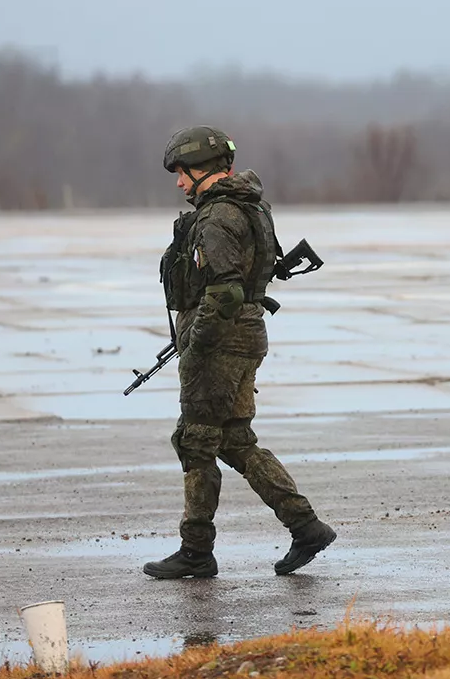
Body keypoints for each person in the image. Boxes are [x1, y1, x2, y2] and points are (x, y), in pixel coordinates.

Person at [142, 125, 336, 579]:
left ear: (202, 169)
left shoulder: (217, 218)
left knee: (195, 440)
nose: (178, 183)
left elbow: (224, 293)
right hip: (244, 336)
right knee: (233, 439)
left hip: (222, 341)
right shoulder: (247, 206)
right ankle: (306, 526)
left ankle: (195, 551)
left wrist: (195, 344)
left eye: (181, 173)